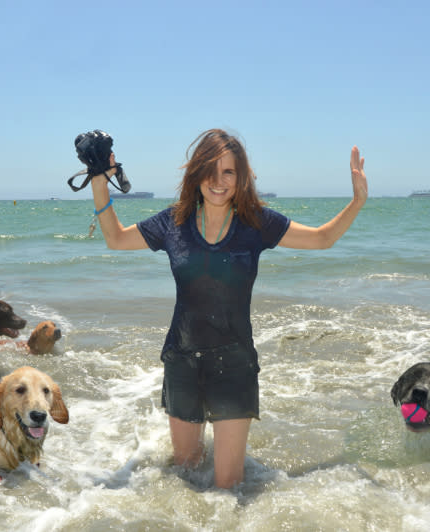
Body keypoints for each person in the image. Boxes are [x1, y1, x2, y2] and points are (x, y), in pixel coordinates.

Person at [90, 128, 367, 489]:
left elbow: (322, 238)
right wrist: (99, 180)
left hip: (234, 365)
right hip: (182, 361)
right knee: (186, 474)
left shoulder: (256, 223)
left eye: (229, 172)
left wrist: (358, 200)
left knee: (227, 489)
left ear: (241, 177)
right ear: (196, 173)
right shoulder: (173, 222)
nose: (218, 182)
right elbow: (115, 239)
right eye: (210, 170)